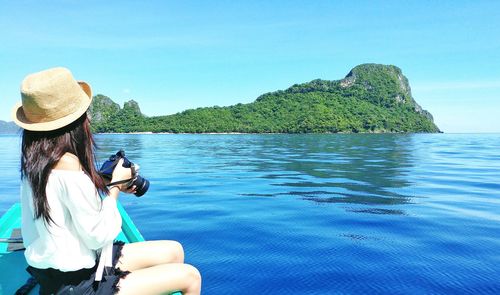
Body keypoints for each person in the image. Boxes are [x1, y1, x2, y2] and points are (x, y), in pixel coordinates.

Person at [11, 67, 202, 294]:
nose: (89, 118)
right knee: (190, 276)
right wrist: (114, 189)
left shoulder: (37, 162)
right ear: (76, 122)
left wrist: (105, 180)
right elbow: (98, 235)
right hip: (78, 284)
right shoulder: (68, 165)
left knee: (174, 251)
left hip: (58, 272)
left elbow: (63, 193)